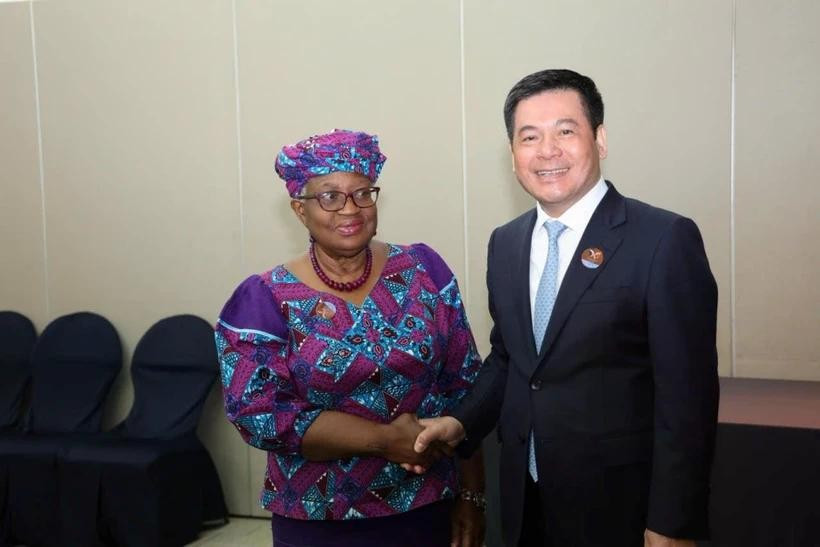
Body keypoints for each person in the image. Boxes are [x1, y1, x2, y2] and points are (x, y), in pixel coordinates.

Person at [411, 70, 720, 546]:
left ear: (600, 139)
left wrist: (673, 523)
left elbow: (688, 398)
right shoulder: (506, 243)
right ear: (512, 153)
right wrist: (461, 422)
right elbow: (512, 359)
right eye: (529, 137)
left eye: (565, 131)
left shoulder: (662, 239)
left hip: (622, 508)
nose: (547, 151)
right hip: (525, 501)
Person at [214, 129, 486, 547]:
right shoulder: (264, 299)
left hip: (430, 506)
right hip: (319, 522)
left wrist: (472, 494)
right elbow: (260, 415)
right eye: (329, 196)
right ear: (300, 209)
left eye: (362, 193)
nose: (350, 209)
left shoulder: (424, 271)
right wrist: (383, 441)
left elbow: (464, 386)